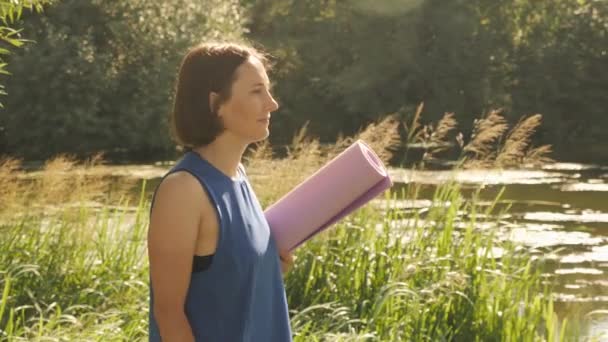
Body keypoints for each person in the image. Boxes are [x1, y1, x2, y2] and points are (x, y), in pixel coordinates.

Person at [147, 41, 294, 342]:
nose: (272, 103)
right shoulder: (184, 190)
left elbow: (223, 281)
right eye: (256, 92)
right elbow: (169, 316)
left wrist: (268, 269)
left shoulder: (238, 177)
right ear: (216, 103)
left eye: (268, 89)